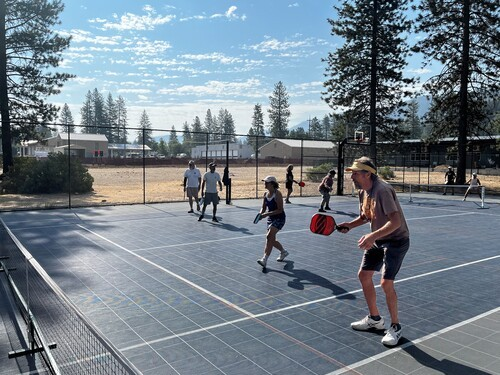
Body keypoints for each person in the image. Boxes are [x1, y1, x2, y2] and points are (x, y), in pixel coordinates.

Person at [337, 156, 410, 347]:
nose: (351, 176)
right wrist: (350, 225)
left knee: (386, 283)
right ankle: (375, 319)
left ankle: (395, 327)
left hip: (396, 241)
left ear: (367, 174)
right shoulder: (363, 191)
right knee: (364, 275)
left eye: (355, 173)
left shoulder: (383, 190)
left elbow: (395, 222)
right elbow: (366, 216)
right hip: (379, 240)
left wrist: (371, 237)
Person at [257, 176, 289, 268]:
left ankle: (264, 259)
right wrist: (260, 214)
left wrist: (265, 215)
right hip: (271, 218)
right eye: (264, 182)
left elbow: (280, 210)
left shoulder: (277, 194)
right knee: (272, 239)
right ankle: (283, 252)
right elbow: (263, 208)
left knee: (269, 236)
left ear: (272, 184)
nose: (265, 184)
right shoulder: (265, 194)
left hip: (280, 218)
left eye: (266, 182)